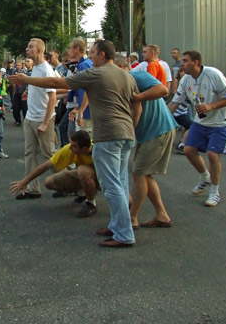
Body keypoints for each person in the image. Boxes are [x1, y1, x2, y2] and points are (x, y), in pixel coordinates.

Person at [10, 40, 141, 247]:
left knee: (112, 185)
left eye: (93, 52)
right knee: (121, 182)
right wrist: (131, 127)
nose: (90, 55)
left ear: (103, 55)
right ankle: (118, 225)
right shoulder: (126, 75)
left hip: (109, 135)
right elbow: (137, 104)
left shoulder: (97, 73)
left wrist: (27, 79)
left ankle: (124, 234)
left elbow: (57, 84)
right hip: (126, 135)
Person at [114, 55, 177, 230]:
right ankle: (162, 215)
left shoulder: (136, 76)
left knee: (139, 174)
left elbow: (163, 90)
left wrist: (137, 98)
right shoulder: (123, 83)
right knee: (144, 174)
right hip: (148, 133)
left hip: (158, 130)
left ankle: (132, 218)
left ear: (120, 66)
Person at [168, 50, 226, 207]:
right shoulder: (185, 80)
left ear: (196, 62)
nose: (181, 64)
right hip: (200, 122)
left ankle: (214, 192)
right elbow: (175, 103)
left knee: (212, 154)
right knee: (188, 150)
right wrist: (161, 119)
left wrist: (210, 106)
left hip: (220, 123)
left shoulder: (213, 74)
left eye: (185, 61)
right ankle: (205, 177)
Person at [10, 130, 98, 218]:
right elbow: (46, 165)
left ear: (85, 149)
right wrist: (25, 181)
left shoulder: (98, 150)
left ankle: (91, 203)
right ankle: (84, 192)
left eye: (74, 146)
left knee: (83, 171)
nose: (70, 147)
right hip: (86, 175)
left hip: (102, 177)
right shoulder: (69, 149)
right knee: (49, 182)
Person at [13, 38, 57, 200]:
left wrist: (45, 123)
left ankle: (68, 183)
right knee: (30, 153)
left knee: (49, 155)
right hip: (30, 118)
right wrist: (28, 92)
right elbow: (39, 90)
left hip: (43, 119)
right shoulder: (36, 68)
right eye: (27, 45)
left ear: (39, 51)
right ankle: (32, 189)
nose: (27, 49)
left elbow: (52, 97)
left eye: (30, 47)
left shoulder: (46, 69)